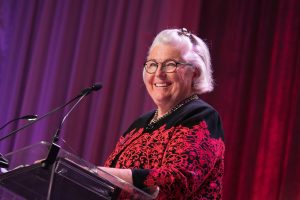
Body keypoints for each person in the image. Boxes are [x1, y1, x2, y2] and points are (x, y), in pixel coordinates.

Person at [100, 28, 225, 200]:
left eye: (170, 64)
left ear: (194, 71)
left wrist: (102, 174)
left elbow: (180, 180)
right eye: (153, 64)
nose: (158, 73)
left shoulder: (202, 116)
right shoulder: (140, 124)